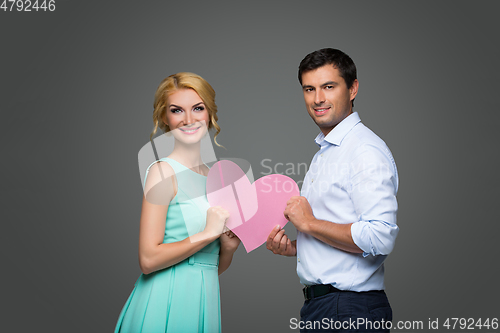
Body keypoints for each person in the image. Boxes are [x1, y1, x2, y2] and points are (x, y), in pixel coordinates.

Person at [267, 48, 399, 332]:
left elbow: (379, 236)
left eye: (329, 87)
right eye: (309, 89)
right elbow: (335, 227)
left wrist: (309, 223)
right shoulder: (327, 151)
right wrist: (297, 247)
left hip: (350, 310)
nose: (318, 99)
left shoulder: (363, 150)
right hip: (326, 308)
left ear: (352, 89)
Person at [115, 72, 240, 333]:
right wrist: (208, 234)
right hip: (163, 301)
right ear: (164, 118)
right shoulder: (162, 172)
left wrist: (227, 248)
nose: (189, 119)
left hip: (203, 301)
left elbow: (208, 267)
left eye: (197, 108)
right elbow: (148, 259)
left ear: (209, 113)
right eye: (177, 110)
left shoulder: (215, 178)